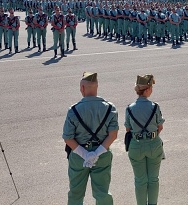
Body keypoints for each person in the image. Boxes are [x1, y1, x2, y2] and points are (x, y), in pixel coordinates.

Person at [62, 72, 119, 204]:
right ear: (97, 87)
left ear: (82, 88)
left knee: (76, 194)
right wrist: (96, 153)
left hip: (78, 155)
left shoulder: (74, 110)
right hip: (102, 155)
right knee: (102, 193)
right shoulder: (110, 108)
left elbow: (68, 138)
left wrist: (86, 155)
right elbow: (113, 135)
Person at [125, 74, 165, 205]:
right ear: (147, 89)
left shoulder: (130, 108)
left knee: (140, 180)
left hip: (136, 145)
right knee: (153, 179)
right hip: (154, 144)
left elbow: (128, 129)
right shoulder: (154, 106)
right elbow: (160, 127)